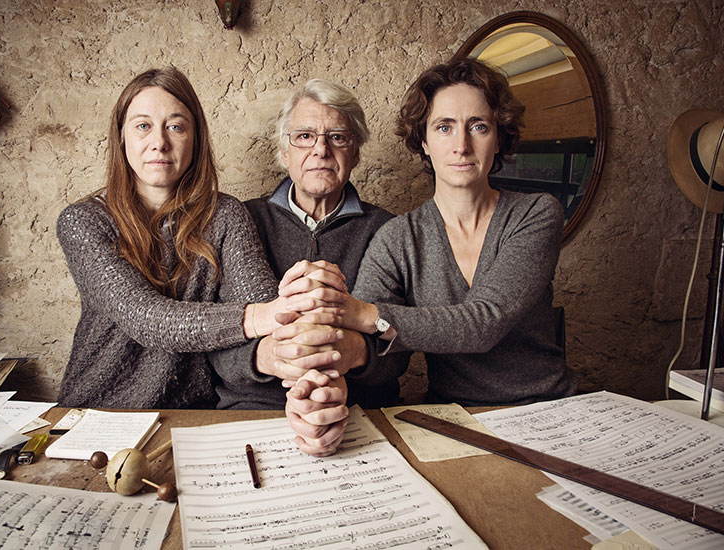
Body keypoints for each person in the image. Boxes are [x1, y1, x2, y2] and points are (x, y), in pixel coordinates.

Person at [280, 57, 577, 406]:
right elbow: (365, 342)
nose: (461, 145)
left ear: (498, 138)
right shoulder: (397, 238)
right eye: (444, 127)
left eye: (478, 126)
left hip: (551, 407)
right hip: (456, 417)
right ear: (423, 140)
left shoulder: (535, 214)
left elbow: (485, 323)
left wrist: (365, 314)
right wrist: (323, 368)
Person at [56, 67, 318, 409]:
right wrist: (259, 316)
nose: (159, 142)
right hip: (99, 413)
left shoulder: (226, 214)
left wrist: (299, 355)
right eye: (143, 126)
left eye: (176, 126)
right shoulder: (84, 221)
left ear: (195, 139)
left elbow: (261, 304)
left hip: (194, 414)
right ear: (122, 137)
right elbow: (144, 318)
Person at [210, 80, 393, 455]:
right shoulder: (241, 221)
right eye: (305, 136)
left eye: (338, 137)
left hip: (363, 415)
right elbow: (211, 339)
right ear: (283, 151)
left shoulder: (389, 229)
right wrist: (268, 358)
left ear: (355, 152)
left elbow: (400, 344)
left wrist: (351, 354)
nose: (321, 150)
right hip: (252, 413)